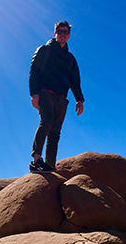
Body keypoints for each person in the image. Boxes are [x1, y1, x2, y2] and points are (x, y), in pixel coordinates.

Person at [28, 20, 84, 172]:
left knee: (55, 133)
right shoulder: (44, 50)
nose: (63, 34)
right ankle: (36, 161)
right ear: (55, 34)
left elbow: (75, 80)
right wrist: (34, 94)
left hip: (62, 98)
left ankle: (50, 166)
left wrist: (79, 99)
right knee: (46, 122)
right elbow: (34, 72)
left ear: (69, 35)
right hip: (45, 93)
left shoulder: (70, 58)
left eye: (66, 32)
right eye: (60, 31)